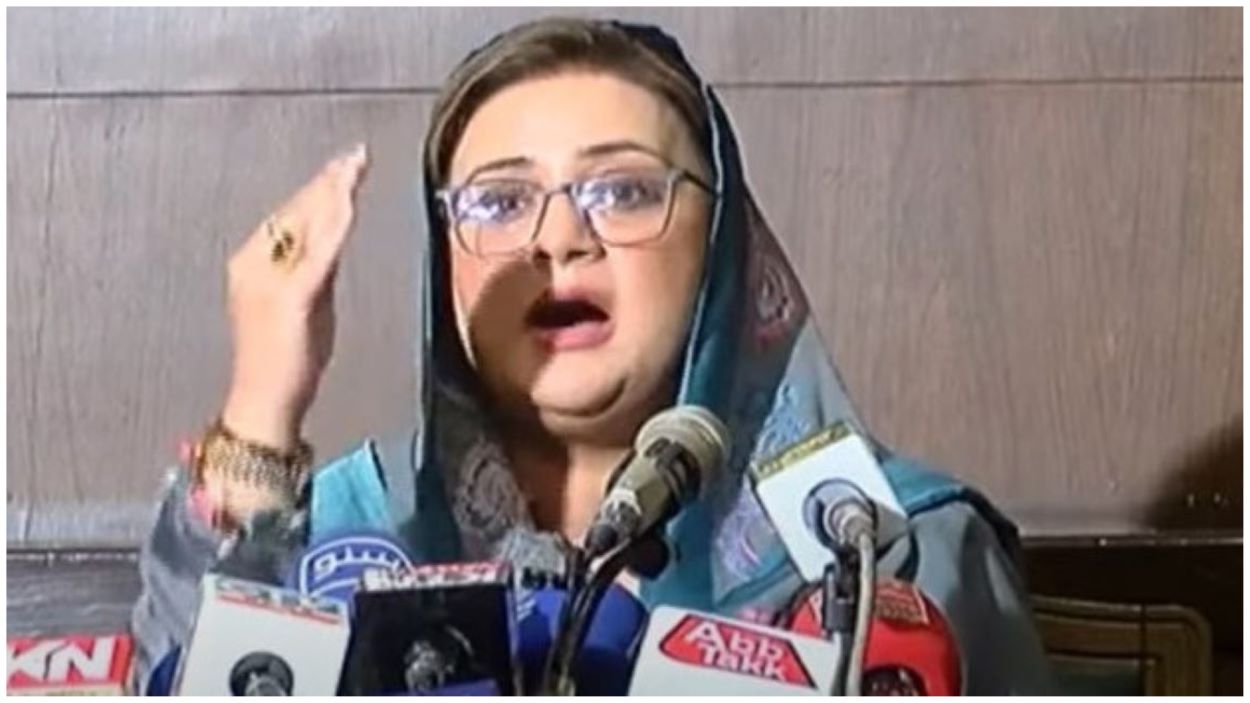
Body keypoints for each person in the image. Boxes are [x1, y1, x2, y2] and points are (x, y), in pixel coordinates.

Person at [130, 16, 1054, 694]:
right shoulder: (353, 531)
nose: (560, 238)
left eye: (622, 190)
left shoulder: (885, 550)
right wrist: (263, 403)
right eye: (500, 202)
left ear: (722, 243)